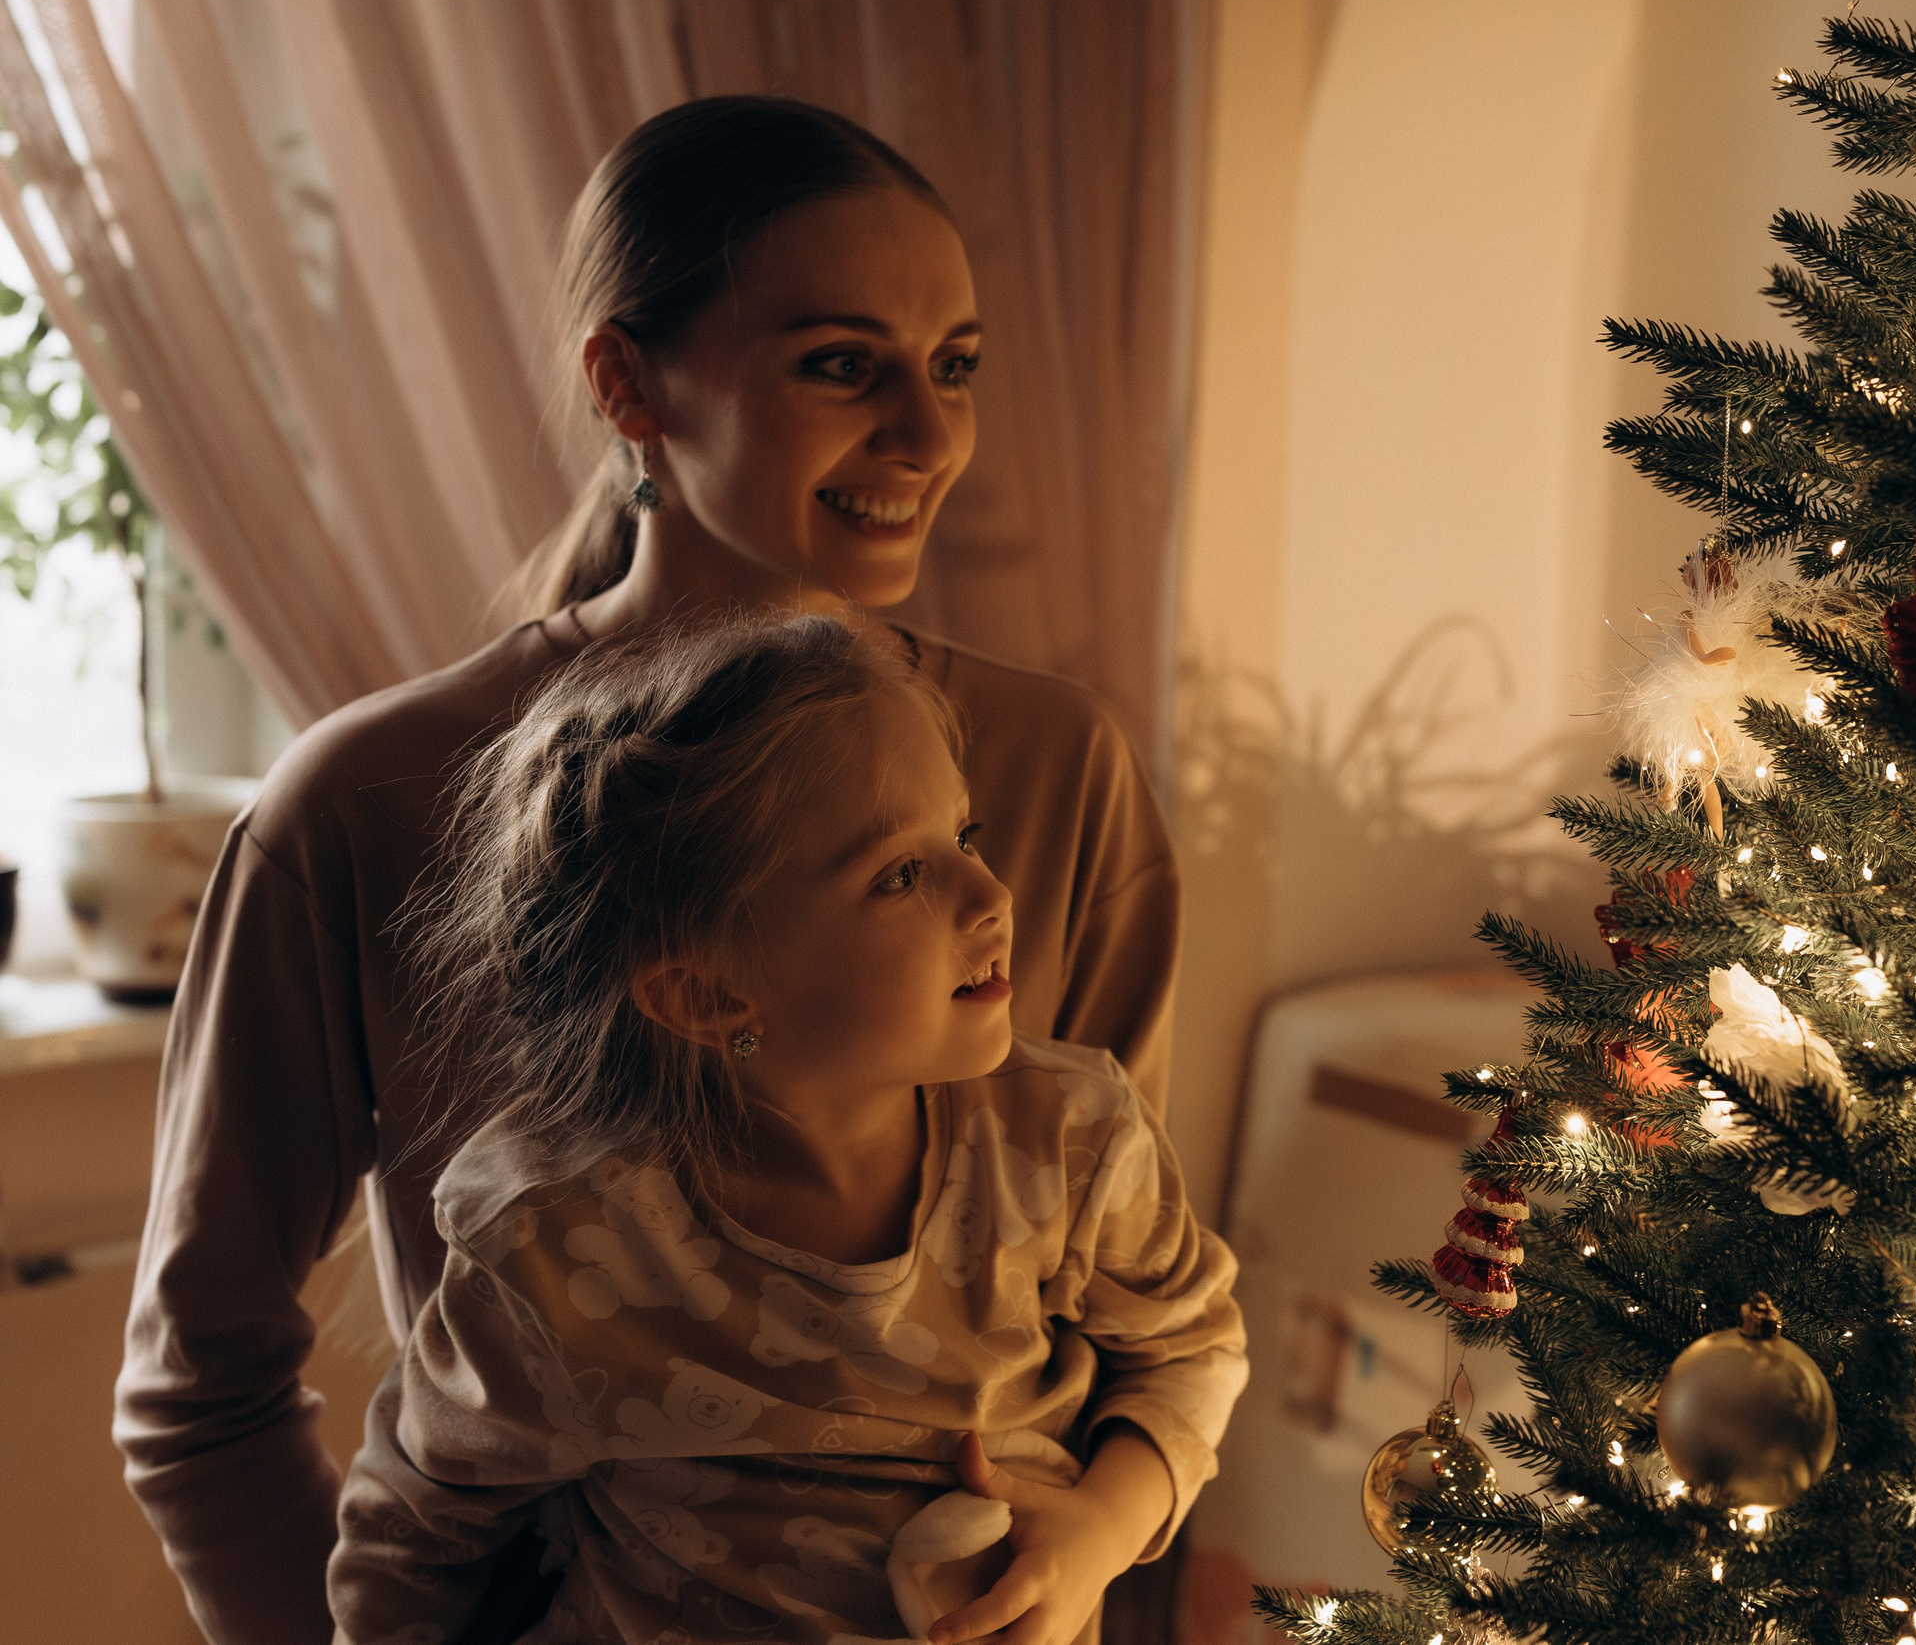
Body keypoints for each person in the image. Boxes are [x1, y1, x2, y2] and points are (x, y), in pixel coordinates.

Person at [116, 97, 1182, 1645]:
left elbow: (1131, 1332)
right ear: (628, 381)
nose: (929, 435)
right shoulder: (362, 803)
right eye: (840, 362)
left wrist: (1091, 1543)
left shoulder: (1055, 769)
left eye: (955, 365)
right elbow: (201, 1387)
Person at [329, 614, 1243, 1645]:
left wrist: (1103, 1529)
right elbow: (415, 1531)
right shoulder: (554, 1245)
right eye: (900, 875)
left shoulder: (1071, 1139)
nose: (991, 895)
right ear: (708, 996)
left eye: (965, 839)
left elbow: (1189, 1351)